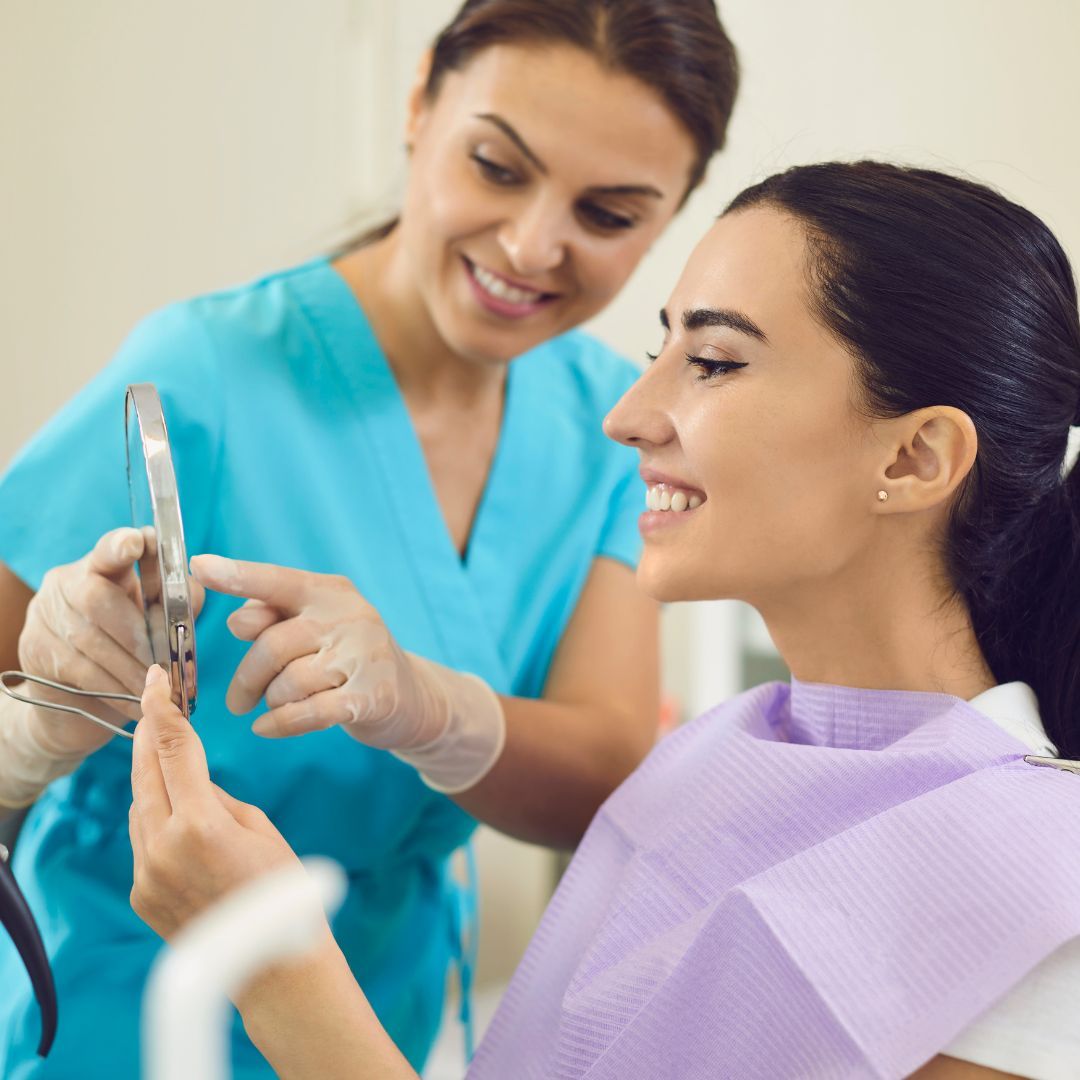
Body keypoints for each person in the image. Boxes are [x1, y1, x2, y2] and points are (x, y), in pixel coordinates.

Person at [131, 161, 1080, 1079]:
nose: (627, 414)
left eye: (711, 362)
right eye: (658, 352)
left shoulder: (1039, 888)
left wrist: (281, 977)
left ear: (915, 458)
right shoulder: (709, 763)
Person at [0, 2, 739, 1075]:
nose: (534, 244)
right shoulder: (206, 372)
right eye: (495, 166)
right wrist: (41, 713)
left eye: (610, 213)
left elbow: (603, 771)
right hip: (124, 1019)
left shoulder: (614, 426)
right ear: (418, 110)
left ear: (673, 215)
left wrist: (428, 708)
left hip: (371, 1023)